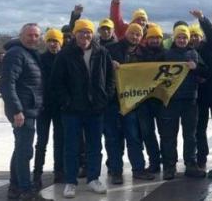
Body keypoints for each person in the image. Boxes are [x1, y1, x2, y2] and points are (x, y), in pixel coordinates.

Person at [51, 19, 113, 198]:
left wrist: (106, 97)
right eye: (81, 32)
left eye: (88, 32)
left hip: (96, 109)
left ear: (92, 34)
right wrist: (67, 102)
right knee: (71, 146)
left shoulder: (102, 52)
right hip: (72, 110)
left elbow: (110, 77)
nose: (85, 35)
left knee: (95, 145)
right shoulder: (65, 54)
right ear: (75, 34)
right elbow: (57, 82)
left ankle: (93, 178)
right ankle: (71, 181)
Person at [0, 23, 52, 201]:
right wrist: (17, 110)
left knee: (20, 148)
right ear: (21, 35)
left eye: (36, 36)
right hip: (22, 111)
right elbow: (7, 83)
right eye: (29, 35)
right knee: (25, 150)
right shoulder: (16, 54)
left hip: (29, 109)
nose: (33, 38)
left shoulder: (28, 54)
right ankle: (25, 189)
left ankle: (15, 186)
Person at [103, 23, 154, 183]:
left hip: (132, 101)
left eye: (138, 35)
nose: (135, 37)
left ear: (141, 37)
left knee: (133, 137)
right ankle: (116, 171)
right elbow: (99, 66)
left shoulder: (144, 53)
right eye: (132, 34)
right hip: (112, 101)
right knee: (113, 138)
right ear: (126, 34)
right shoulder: (111, 49)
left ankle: (138, 169)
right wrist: (110, 64)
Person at [160, 25, 206, 179]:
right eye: (179, 37)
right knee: (169, 135)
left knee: (190, 135)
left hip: (190, 101)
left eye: (184, 38)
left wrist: (196, 67)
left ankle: (191, 164)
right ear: (174, 38)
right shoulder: (166, 54)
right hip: (171, 100)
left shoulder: (194, 53)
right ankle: (169, 166)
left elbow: (206, 72)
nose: (181, 40)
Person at [188, 10, 212, 174]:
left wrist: (202, 19)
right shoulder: (187, 53)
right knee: (199, 129)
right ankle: (201, 158)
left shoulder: (211, 47)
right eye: (192, 36)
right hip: (199, 96)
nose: (194, 38)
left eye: (196, 35)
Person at [33, 28, 65, 189]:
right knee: (41, 141)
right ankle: (37, 173)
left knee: (59, 141)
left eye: (56, 41)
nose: (53, 44)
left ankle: (59, 171)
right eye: (51, 41)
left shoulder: (64, 58)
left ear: (61, 42)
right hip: (44, 107)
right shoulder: (40, 58)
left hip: (59, 107)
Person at [133, 24, 166, 174]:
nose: (154, 40)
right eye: (151, 37)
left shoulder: (168, 55)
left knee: (165, 133)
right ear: (146, 39)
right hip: (144, 100)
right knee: (147, 133)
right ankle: (154, 161)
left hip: (161, 100)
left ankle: (167, 161)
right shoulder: (138, 54)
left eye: (157, 37)